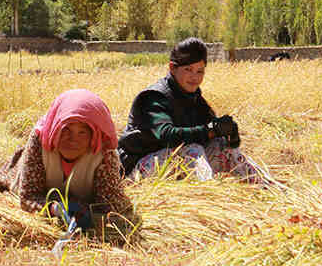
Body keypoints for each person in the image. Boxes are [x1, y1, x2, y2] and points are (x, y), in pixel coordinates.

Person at [117, 38, 275, 185]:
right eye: (188, 69)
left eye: (200, 71)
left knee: (221, 146)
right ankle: (209, 197)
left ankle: (269, 189)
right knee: (191, 150)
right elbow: (167, 135)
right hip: (136, 171)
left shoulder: (194, 97)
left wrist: (229, 134)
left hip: (169, 167)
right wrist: (210, 130)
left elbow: (212, 133)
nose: (194, 77)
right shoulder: (153, 97)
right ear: (172, 68)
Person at [0, 89, 136, 236]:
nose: (72, 139)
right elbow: (28, 196)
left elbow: (113, 204)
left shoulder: (103, 153)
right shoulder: (41, 140)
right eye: (66, 130)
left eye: (82, 132)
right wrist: (54, 209)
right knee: (7, 181)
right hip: (36, 185)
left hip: (81, 197)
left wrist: (89, 212)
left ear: (93, 136)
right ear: (55, 128)